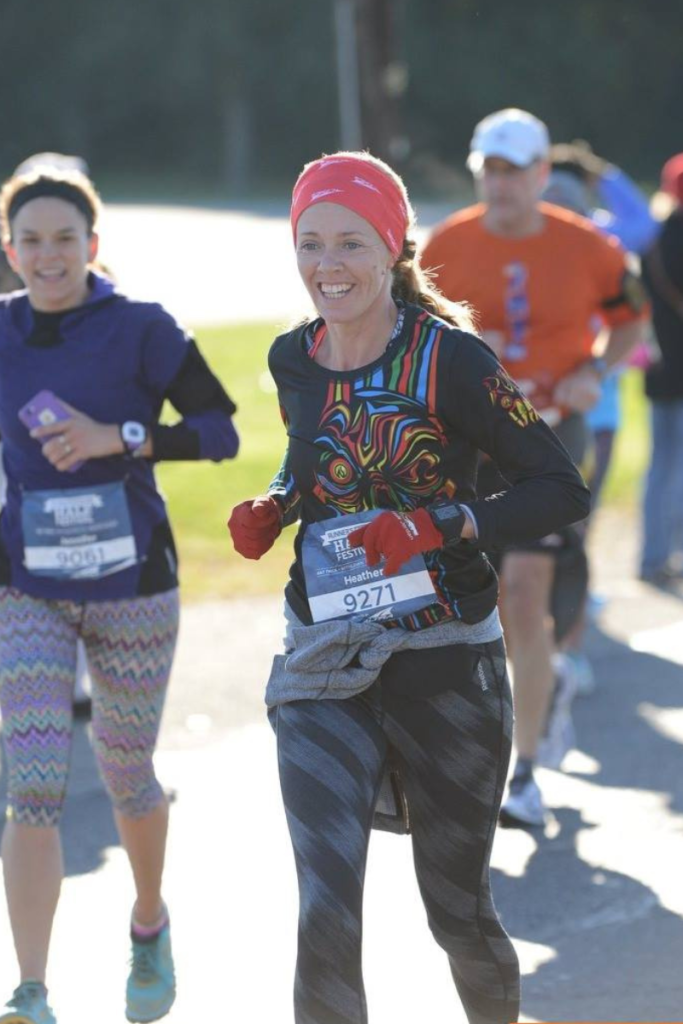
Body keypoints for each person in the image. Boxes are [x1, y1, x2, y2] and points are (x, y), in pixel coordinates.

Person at [228, 150, 589, 1024]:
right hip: (322, 655)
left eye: (349, 243)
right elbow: (316, 454)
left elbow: (558, 486)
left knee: (456, 914)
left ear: (391, 249)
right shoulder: (293, 357)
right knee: (325, 907)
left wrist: (441, 525)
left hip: (443, 654)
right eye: (310, 244)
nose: (327, 266)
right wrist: (279, 503)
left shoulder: (450, 361)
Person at [0, 167, 239, 1024]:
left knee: (124, 769)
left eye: (65, 238)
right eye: (31, 240)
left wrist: (119, 437)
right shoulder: (1, 331)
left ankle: (148, 922)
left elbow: (221, 429)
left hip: (133, 583)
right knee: (32, 783)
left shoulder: (141, 327)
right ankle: (30, 989)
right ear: (9, 250)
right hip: (26, 586)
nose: (48, 254)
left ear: (93, 246)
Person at [421, 109, 647, 827]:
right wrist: (461, 340)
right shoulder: (449, 241)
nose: (500, 183)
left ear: (542, 174)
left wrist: (595, 370)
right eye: (489, 168)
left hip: (553, 433)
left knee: (524, 588)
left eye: (514, 169)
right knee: (471, 596)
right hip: (473, 439)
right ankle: (524, 701)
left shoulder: (584, 245)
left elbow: (631, 319)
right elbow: (415, 329)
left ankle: (521, 776)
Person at [640, 153, 683, 584]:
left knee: (660, 466)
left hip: (657, 365)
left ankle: (652, 556)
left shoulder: (651, 240)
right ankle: (667, 556)